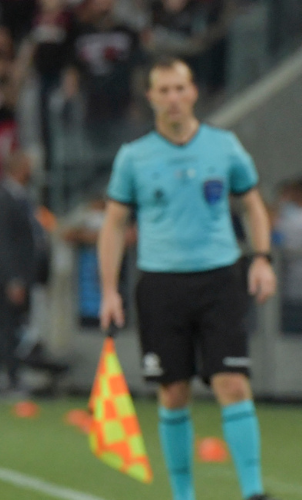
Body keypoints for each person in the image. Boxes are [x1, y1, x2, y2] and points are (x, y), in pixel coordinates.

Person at [98, 57, 278, 500]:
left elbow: (253, 205)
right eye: (164, 90)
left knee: (232, 382)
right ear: (152, 97)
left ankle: (253, 491)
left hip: (220, 279)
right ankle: (183, 495)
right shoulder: (134, 157)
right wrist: (108, 291)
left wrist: (261, 258)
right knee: (173, 392)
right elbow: (114, 225)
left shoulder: (225, 146)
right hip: (160, 285)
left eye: (180, 88)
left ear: (194, 91)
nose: (174, 98)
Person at [0, 151, 43, 395]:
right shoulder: (1, 198)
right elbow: (1, 243)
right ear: (17, 168)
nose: (31, 171)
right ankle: (12, 380)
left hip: (17, 276)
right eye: (27, 166)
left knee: (8, 328)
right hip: (5, 278)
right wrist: (13, 279)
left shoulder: (17, 196)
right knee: (7, 329)